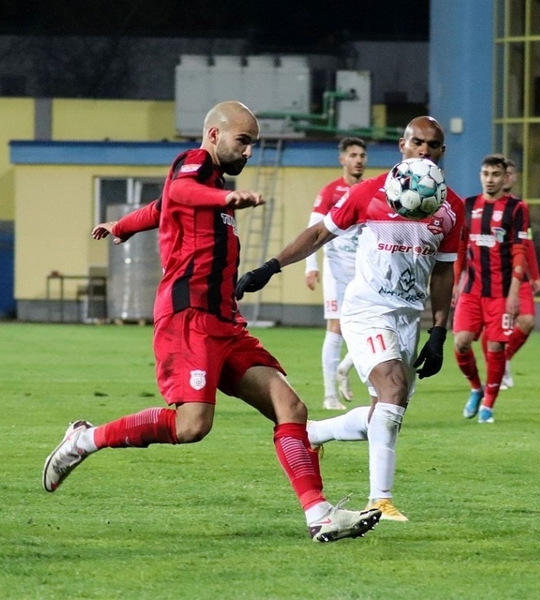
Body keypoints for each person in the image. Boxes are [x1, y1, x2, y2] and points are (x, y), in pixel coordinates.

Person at [42, 101, 381, 543]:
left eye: (254, 145)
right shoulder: (194, 163)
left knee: (291, 407)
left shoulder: (208, 183)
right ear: (216, 135)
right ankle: (85, 439)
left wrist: (123, 226)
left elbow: (163, 205)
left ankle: (319, 515)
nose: (249, 152)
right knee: (192, 426)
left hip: (225, 321)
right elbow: (180, 195)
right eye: (244, 141)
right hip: (190, 317)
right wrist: (226, 197)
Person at [236, 116, 464, 522]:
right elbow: (320, 234)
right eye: (417, 142)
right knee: (391, 389)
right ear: (402, 145)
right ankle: (380, 500)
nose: (424, 151)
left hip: (408, 318)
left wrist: (439, 331)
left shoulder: (451, 208)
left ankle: (314, 434)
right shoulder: (368, 193)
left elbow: (444, 271)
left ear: (442, 151)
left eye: (432, 145)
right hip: (365, 310)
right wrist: (270, 267)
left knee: (387, 415)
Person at [453, 154, 531, 423]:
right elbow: (461, 247)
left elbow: (520, 251)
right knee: (461, 343)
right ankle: (476, 387)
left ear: (504, 178)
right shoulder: (469, 205)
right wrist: (455, 282)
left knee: (496, 347)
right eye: (486, 174)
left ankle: (488, 404)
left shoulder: (517, 208)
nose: (490, 179)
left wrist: (513, 293)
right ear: (480, 176)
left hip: (500, 293)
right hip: (472, 290)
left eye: (495, 174)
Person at [304, 137, 367, 410]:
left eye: (362, 155)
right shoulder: (331, 192)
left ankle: (344, 367)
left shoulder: (370, 191)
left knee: (368, 326)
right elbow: (313, 229)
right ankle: (330, 394)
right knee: (336, 327)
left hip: (364, 271)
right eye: (353, 155)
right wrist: (311, 266)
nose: (359, 160)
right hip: (336, 268)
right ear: (342, 159)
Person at [499, 158, 540, 389]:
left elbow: (527, 243)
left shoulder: (519, 208)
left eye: (511, 173)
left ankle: (502, 359)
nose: (508, 177)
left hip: (519, 277)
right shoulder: (481, 207)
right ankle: (497, 365)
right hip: (494, 277)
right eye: (503, 173)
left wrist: (534, 274)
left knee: (527, 320)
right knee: (497, 329)